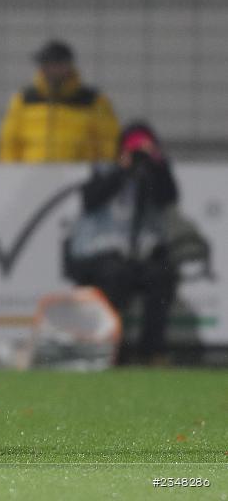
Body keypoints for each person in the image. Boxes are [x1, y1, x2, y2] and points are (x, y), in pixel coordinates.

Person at [64, 122, 180, 364]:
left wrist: (155, 164)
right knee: (115, 275)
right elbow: (90, 199)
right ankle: (113, 348)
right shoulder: (104, 170)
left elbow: (167, 196)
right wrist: (121, 170)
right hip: (98, 254)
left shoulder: (155, 173)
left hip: (140, 256)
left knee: (162, 275)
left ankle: (152, 350)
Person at [0, 40, 119, 162]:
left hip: (79, 171)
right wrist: (10, 170)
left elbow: (108, 142)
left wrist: (105, 168)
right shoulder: (24, 99)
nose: (46, 69)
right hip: (31, 170)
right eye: (44, 64)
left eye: (51, 64)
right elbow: (9, 142)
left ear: (66, 65)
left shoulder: (93, 101)